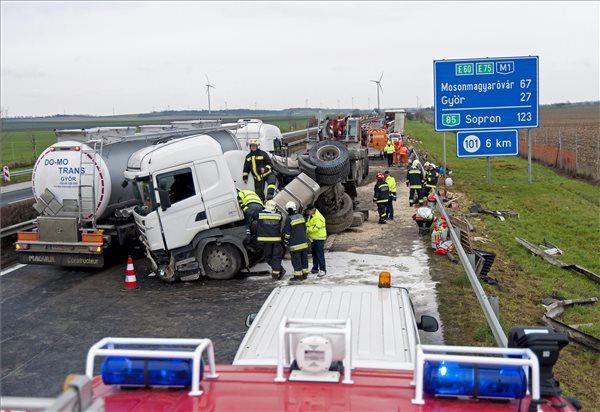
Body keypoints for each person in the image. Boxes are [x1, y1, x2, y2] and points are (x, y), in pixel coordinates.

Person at [256, 200, 285, 280]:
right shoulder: (278, 216)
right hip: (276, 241)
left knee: (268, 257)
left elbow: (250, 213)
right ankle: (277, 273)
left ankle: (278, 271)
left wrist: (243, 206)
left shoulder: (260, 215)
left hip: (266, 241)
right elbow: (281, 217)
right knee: (276, 257)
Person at [283, 201, 309, 282]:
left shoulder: (289, 219)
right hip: (304, 243)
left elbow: (287, 233)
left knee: (296, 260)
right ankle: (305, 274)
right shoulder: (301, 216)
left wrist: (285, 241)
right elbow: (305, 229)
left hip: (295, 245)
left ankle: (298, 276)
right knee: (304, 259)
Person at [305, 204, 327, 277]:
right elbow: (308, 224)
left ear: (311, 210)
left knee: (320, 255)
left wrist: (306, 230)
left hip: (319, 239)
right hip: (314, 239)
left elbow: (314, 228)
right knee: (314, 254)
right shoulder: (311, 216)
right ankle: (315, 269)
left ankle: (323, 270)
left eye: (308, 211)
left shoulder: (318, 218)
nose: (307, 212)